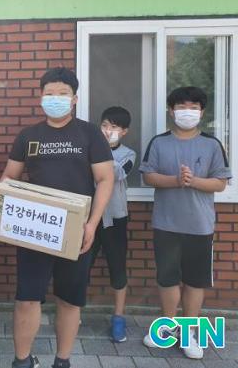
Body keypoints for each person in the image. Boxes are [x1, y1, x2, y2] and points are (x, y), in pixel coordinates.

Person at [0, 67, 114, 368]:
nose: (55, 98)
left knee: (69, 299)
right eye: (49, 93)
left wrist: (92, 223)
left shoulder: (89, 133)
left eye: (62, 94)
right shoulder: (29, 136)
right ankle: (22, 361)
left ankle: (62, 361)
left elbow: (105, 179)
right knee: (27, 298)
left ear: (74, 99)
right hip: (35, 230)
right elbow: (9, 179)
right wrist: (6, 214)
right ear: (40, 97)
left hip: (77, 231)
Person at [140, 87, 231, 359]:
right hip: (166, 224)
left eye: (193, 107)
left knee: (195, 281)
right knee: (167, 278)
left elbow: (221, 183)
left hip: (200, 226)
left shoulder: (212, 144)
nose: (187, 112)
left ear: (202, 112)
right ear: (171, 111)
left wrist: (193, 181)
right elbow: (148, 176)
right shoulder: (159, 143)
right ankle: (168, 327)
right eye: (181, 107)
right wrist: (176, 180)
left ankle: (189, 331)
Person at [89, 106, 137, 343]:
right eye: (105, 125)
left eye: (114, 127)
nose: (108, 130)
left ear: (124, 131)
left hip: (115, 219)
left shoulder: (128, 154)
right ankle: (73, 312)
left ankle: (119, 317)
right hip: (89, 218)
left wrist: (99, 153)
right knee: (80, 266)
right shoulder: (88, 149)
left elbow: (116, 173)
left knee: (117, 269)